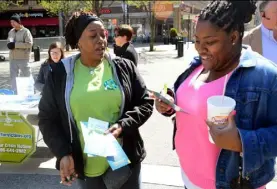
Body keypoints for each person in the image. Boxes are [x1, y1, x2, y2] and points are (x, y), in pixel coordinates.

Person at [155, 1, 277, 189]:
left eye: (210, 42)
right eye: (197, 40)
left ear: (234, 37)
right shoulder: (198, 65)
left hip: (229, 184)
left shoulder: (264, 76)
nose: (200, 48)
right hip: (189, 177)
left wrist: (240, 141)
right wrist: (169, 101)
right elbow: (187, 98)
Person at [38, 11, 153, 189]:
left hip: (123, 160)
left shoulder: (124, 67)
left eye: (103, 35)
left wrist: (123, 125)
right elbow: (47, 118)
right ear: (78, 42)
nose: (101, 40)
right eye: (93, 36)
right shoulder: (59, 74)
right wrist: (63, 153)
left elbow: (145, 103)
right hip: (85, 165)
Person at [7, 14, 33, 93]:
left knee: (27, 75)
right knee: (13, 77)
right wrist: (9, 45)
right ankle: (15, 93)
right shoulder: (11, 31)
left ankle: (31, 91)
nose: (12, 24)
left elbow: (29, 44)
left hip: (23, 58)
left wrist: (15, 45)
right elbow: (9, 41)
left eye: (14, 22)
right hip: (13, 58)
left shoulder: (26, 31)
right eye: (11, 22)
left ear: (18, 22)